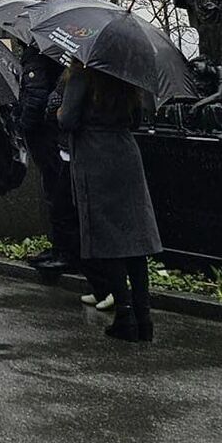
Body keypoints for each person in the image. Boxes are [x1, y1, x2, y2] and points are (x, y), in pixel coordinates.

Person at [60, 63, 162, 342]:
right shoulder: (128, 73)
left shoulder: (82, 72)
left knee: (110, 239)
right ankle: (145, 317)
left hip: (95, 157)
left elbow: (67, 119)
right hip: (126, 154)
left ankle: (125, 315)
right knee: (134, 240)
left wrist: (59, 110)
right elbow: (138, 120)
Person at [18, 41, 82, 275]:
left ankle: (65, 252)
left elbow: (35, 95)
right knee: (56, 192)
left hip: (45, 135)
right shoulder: (51, 52)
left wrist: (23, 126)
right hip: (51, 134)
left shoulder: (36, 55)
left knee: (57, 193)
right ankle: (60, 248)